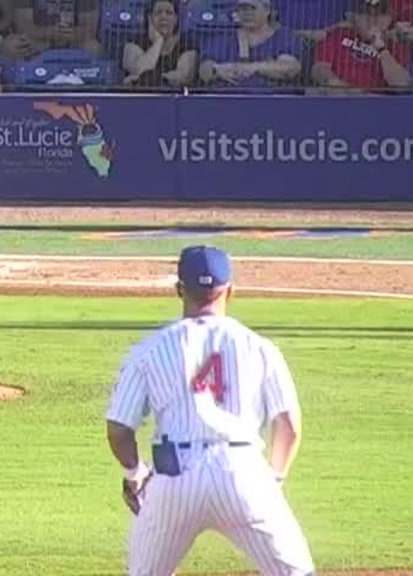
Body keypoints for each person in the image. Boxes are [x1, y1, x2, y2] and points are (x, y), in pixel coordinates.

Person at [106, 245, 316, 576]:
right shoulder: (259, 347)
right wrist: (272, 481)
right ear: (231, 290)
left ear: (179, 290)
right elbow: (288, 425)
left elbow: (119, 427)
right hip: (242, 470)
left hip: (174, 477)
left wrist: (136, 474)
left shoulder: (149, 349)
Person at [196, 0, 304, 89]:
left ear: (267, 10)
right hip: (226, 99)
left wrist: (251, 68)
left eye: (252, 8)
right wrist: (216, 70)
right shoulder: (225, 35)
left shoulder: (283, 36)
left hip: (269, 100)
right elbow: (204, 69)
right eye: (242, 9)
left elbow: (289, 68)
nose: (247, 13)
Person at [310, 0, 411, 90]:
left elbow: (401, 84)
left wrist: (382, 50)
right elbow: (319, 69)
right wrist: (337, 84)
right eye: (366, 15)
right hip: (338, 95)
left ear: (389, 19)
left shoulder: (396, 47)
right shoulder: (339, 35)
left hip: (374, 101)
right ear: (356, 18)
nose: (372, 20)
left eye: (378, 15)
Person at [122, 0, 195, 87]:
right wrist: (158, 41)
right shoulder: (132, 43)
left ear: (176, 19)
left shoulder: (186, 44)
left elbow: (182, 76)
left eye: (169, 13)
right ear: (149, 18)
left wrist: (153, 78)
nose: (163, 17)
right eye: (158, 12)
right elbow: (140, 69)